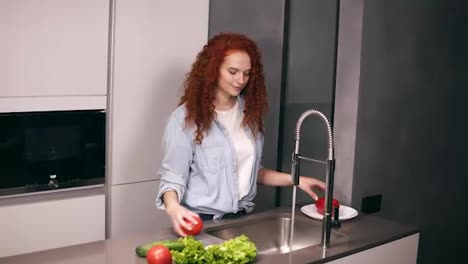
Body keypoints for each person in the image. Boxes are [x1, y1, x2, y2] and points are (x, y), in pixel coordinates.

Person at [155, 33, 325, 237]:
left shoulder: (249, 113)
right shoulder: (185, 118)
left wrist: (295, 180)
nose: (240, 80)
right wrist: (173, 208)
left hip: (242, 220)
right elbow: (173, 176)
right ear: (213, 69)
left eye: (246, 73)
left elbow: (252, 172)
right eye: (233, 72)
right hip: (201, 223)